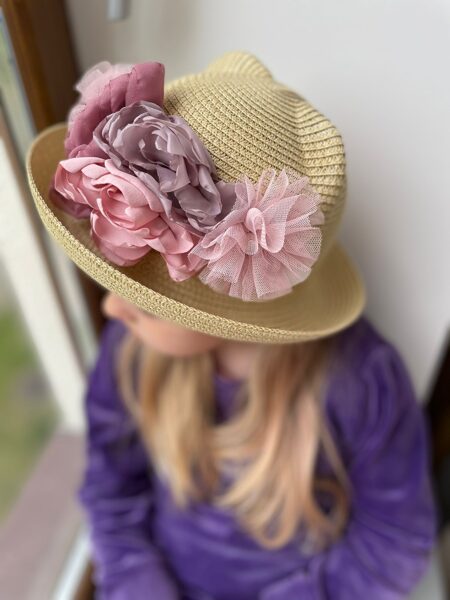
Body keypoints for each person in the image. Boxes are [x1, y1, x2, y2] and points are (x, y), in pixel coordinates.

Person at [26, 51, 437, 599]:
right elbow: (112, 490)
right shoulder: (132, 350)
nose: (111, 312)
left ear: (238, 308)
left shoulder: (361, 378)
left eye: (147, 305)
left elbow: (393, 542)